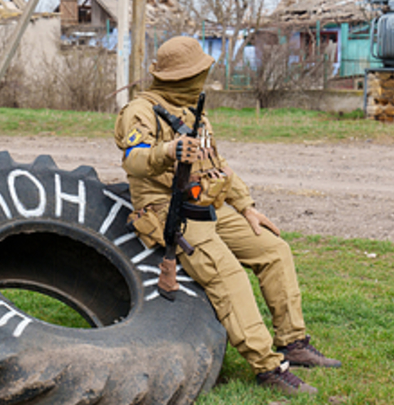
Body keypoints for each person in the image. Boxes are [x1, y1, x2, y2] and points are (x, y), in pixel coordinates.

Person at [113, 36, 341, 396]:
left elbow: (217, 165)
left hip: (207, 204)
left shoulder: (194, 111)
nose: (202, 80)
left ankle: (293, 341)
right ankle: (268, 367)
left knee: (273, 249)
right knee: (227, 274)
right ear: (180, 78)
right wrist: (168, 150)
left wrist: (247, 207)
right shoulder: (139, 111)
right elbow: (133, 159)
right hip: (167, 210)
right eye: (196, 75)